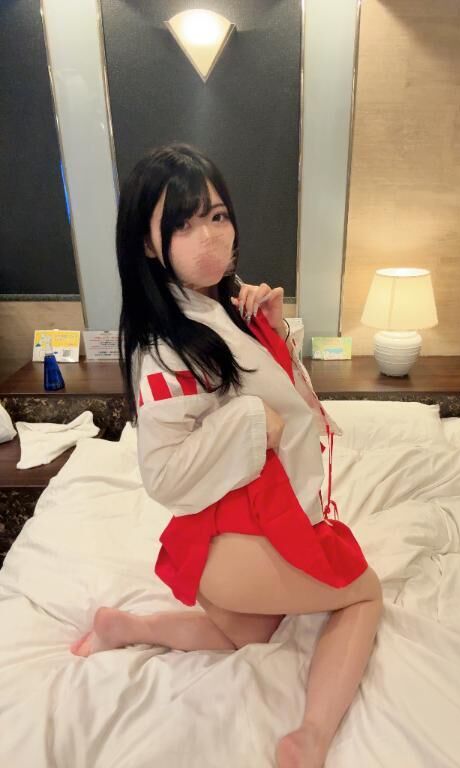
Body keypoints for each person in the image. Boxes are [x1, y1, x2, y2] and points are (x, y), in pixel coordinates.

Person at [69, 143, 384, 768]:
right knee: (363, 594)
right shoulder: (165, 348)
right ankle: (310, 737)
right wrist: (249, 424)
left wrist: (273, 326)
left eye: (216, 216)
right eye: (183, 225)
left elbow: (285, 399)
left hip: (242, 523)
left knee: (247, 633)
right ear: (149, 244)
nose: (209, 237)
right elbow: (163, 473)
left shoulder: (222, 305)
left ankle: (123, 627)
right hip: (232, 536)